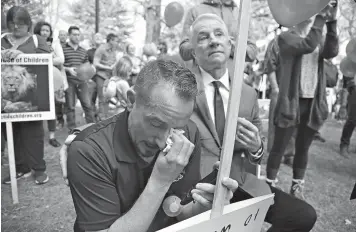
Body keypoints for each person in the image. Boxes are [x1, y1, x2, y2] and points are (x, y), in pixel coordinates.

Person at [64, 59, 239, 232]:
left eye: (176, 128)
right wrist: (160, 181)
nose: (163, 141)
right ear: (131, 100)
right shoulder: (90, 151)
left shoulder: (189, 134)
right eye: (156, 123)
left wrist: (204, 205)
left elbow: (177, 208)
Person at [188, 13, 317, 232]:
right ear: (193, 51)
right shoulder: (181, 86)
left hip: (238, 183)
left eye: (219, 34)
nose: (213, 40)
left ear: (230, 44)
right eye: (203, 37)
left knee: (303, 216)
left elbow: (257, 155)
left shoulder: (248, 93)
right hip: (195, 186)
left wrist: (255, 146)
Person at [266, 4, 339, 199]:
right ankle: (268, 185)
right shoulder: (285, 38)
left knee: (303, 147)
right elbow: (308, 44)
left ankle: (296, 186)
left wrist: (332, 23)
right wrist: (321, 18)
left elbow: (331, 51)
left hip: (312, 103)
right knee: (279, 147)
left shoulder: (318, 37)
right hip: (291, 102)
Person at [1, 6, 51, 185]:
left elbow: (47, 63)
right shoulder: (2, 40)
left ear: (28, 24)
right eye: (12, 23)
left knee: (33, 132)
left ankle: (38, 169)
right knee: (11, 133)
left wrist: (22, 55)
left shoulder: (37, 40)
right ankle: (20, 168)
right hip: (7, 95)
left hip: (32, 97)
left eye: (20, 24)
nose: (16, 28)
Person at [180, 0, 258, 74]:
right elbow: (184, 52)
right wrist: (204, 43)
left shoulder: (242, 14)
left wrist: (228, 45)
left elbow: (252, 53)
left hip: (233, 82)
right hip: (202, 82)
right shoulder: (195, 11)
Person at [263, 34, 296, 166]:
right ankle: (274, 152)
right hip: (279, 88)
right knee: (275, 123)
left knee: (293, 124)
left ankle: (289, 154)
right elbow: (270, 65)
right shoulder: (276, 41)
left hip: (294, 91)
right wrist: (275, 87)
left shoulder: (303, 41)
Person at [34, 21, 66, 147]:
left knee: (52, 106)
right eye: (42, 30)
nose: (45, 32)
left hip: (52, 78)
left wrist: (46, 60)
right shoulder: (33, 42)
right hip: (36, 78)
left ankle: (52, 136)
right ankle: (36, 135)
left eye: (47, 30)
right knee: (37, 106)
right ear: (38, 31)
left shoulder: (55, 43)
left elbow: (61, 59)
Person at [63, 26, 95, 131]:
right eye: (74, 34)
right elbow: (58, 66)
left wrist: (90, 72)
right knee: (70, 106)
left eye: (78, 34)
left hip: (82, 81)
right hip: (68, 80)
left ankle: (92, 128)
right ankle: (72, 130)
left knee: (87, 104)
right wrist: (68, 69)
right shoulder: (63, 48)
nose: (77, 37)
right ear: (69, 35)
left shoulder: (83, 51)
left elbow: (87, 66)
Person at [93, 33, 119, 121]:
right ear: (110, 40)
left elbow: (114, 63)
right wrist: (108, 67)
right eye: (116, 41)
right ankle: (101, 119)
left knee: (108, 97)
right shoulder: (101, 49)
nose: (117, 43)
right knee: (102, 98)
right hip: (101, 76)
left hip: (109, 77)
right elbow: (95, 63)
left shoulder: (114, 51)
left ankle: (106, 118)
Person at [87, 33, 103, 121]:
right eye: (96, 37)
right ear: (93, 39)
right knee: (91, 99)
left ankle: (101, 118)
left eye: (100, 37)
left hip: (103, 78)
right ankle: (92, 119)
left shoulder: (106, 51)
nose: (98, 38)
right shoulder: (89, 52)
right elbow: (86, 65)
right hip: (92, 79)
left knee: (102, 99)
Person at [339, 74, 356, 157]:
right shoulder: (350, 66)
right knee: (352, 119)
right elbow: (345, 87)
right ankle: (344, 145)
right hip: (354, 91)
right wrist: (343, 104)